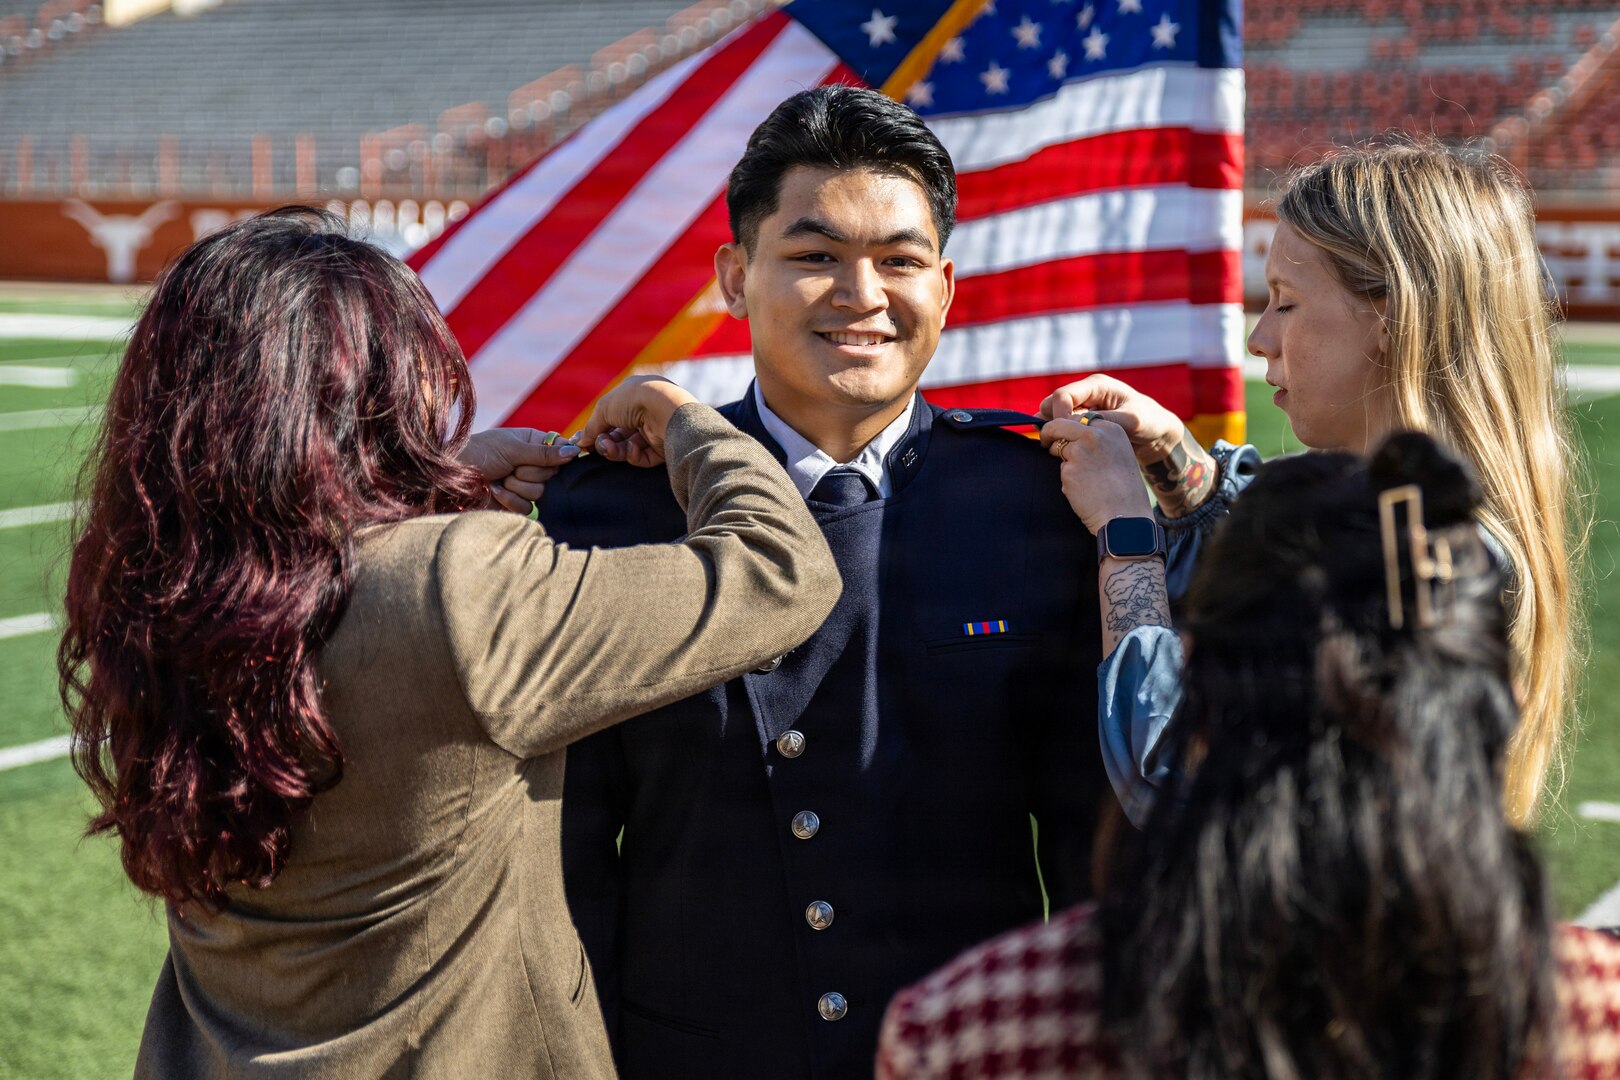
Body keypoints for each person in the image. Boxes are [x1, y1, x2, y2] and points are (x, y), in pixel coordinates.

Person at [58, 208, 841, 1079]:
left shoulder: (162, 589)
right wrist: (682, 415)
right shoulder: (456, 583)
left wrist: (430, 492)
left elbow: (328, 596)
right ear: (381, 390)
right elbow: (781, 569)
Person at [534, 85, 1142, 1079]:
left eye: (899, 261)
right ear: (736, 276)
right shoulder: (614, 511)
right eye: (814, 257)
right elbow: (564, 869)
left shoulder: (1035, 506)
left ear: (945, 286)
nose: (862, 294)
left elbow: (1090, 844)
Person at [877, 433, 1620, 1079]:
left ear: (1193, 678)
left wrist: (1130, 535)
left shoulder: (968, 1026)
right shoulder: (1595, 1010)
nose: (1263, 338)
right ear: (1508, 700)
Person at [1042, 139, 1585, 825]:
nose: (1259, 337)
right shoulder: (1428, 521)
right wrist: (1179, 465)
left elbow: (1181, 782)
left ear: (1388, 317)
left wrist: (1126, 532)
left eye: (1286, 304)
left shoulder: (1411, 560)